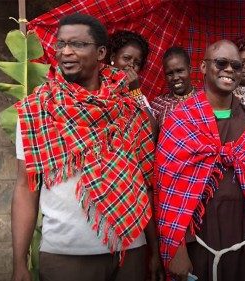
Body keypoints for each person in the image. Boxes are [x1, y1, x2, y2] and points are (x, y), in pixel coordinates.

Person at [11, 13, 163, 281]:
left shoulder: (128, 109)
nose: (66, 51)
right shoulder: (38, 110)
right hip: (65, 258)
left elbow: (143, 181)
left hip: (130, 251)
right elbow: (25, 186)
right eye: (61, 44)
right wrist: (19, 261)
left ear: (101, 52)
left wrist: (155, 250)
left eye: (78, 44)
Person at [155, 39, 245, 281]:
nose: (230, 69)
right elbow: (167, 190)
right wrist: (176, 249)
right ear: (203, 68)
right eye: (221, 63)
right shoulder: (180, 121)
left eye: (236, 65)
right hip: (197, 241)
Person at [150, 46, 195, 127]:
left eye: (180, 71)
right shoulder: (158, 104)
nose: (175, 78)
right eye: (170, 73)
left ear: (190, 70)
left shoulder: (204, 100)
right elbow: (151, 136)